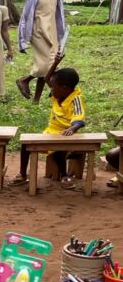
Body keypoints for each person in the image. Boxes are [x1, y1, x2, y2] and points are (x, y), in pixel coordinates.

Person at [14, 58, 86, 188]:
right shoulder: (59, 94)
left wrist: (72, 129)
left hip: (67, 135)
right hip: (50, 132)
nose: (51, 90)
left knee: (58, 150)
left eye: (53, 87)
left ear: (64, 88)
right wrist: (55, 63)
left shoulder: (75, 99)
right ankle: (22, 174)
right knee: (26, 145)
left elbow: (79, 120)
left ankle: (64, 176)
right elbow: (47, 79)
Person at [16, 0, 65, 105]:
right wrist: (22, 39)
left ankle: (36, 100)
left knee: (46, 67)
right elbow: (25, 17)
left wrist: (61, 34)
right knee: (47, 65)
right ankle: (25, 80)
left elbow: (58, 15)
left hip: (52, 33)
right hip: (37, 32)